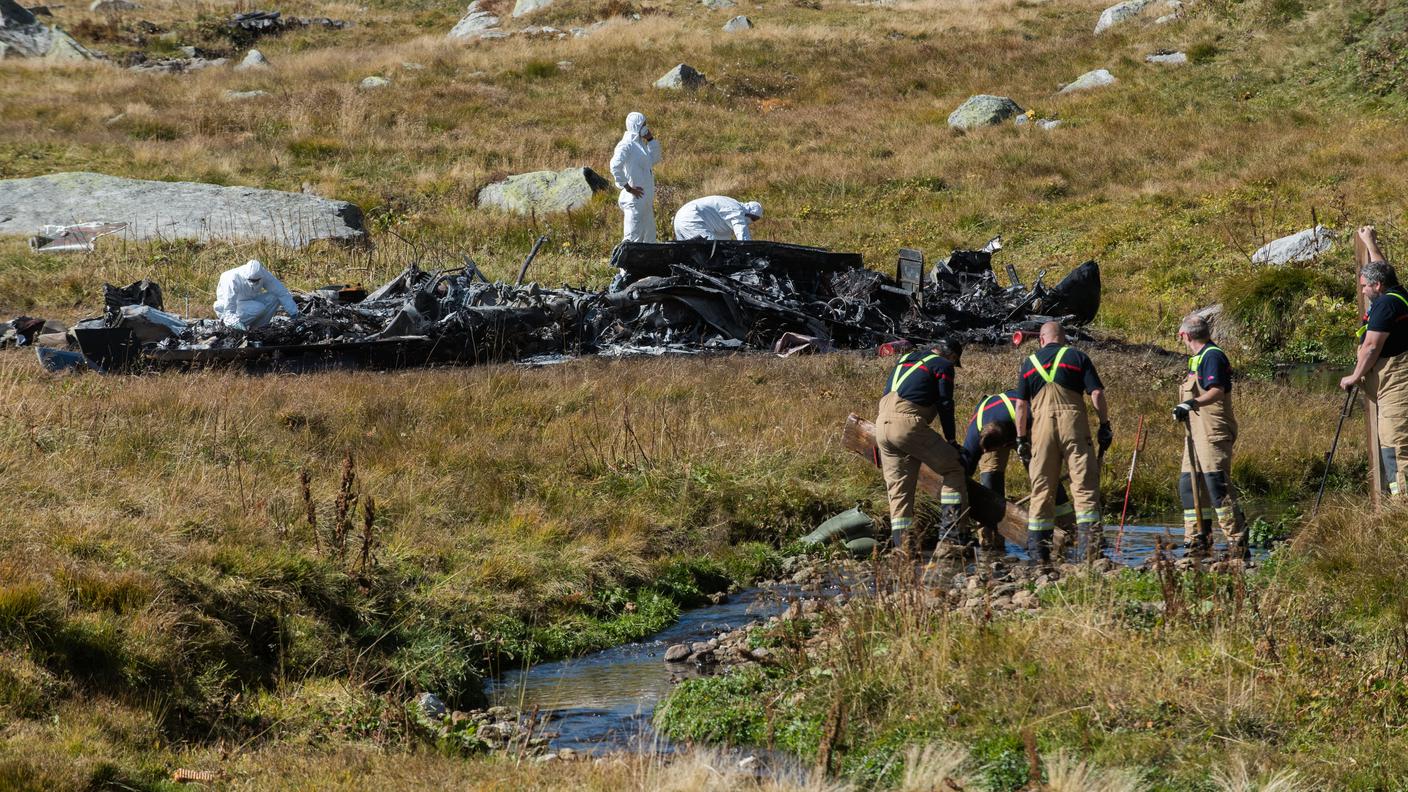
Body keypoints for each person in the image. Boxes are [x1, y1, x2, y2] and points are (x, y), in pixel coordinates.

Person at [1014, 322, 1111, 562]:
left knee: (1041, 489)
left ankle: (1039, 554)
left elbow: (1021, 405)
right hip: (1074, 426)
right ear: (1064, 339)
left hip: (1041, 430)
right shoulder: (1077, 356)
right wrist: (1105, 424)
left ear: (1041, 340)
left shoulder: (1029, 363)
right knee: (1084, 485)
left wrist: (1021, 439)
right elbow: (1096, 393)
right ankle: (1091, 552)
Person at [957, 389, 1075, 560]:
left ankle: (1068, 528)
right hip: (994, 427)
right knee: (990, 479)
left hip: (1023, 427)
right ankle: (990, 542)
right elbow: (964, 473)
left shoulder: (1028, 417)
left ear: (1006, 442)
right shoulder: (976, 436)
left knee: (1044, 476)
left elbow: (1051, 438)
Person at [875, 339, 966, 554]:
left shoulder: (905, 359)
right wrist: (951, 441)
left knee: (899, 491)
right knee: (953, 468)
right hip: (907, 424)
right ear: (952, 357)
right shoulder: (943, 366)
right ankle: (951, 539)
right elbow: (945, 403)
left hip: (881, 425)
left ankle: (904, 549)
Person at [1340, 226, 1408, 498]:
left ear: (1377, 286)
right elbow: (1382, 267)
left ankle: (1401, 507)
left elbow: (1370, 347)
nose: (1364, 291)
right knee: (1391, 443)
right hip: (1391, 383)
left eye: (1365, 287)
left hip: (1397, 384)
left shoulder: (1384, 307)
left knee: (1395, 445)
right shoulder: (1398, 293)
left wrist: (1354, 376)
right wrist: (1370, 241)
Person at [1173, 314, 1246, 560]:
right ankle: (1197, 542)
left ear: (1185, 335)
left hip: (1212, 432)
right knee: (1189, 485)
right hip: (1194, 433)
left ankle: (1238, 544)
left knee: (1217, 485)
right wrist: (1184, 410)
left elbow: (1216, 391)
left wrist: (1191, 402)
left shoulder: (1212, 356)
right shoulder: (1197, 359)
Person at [609, 112, 662, 243]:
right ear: (636, 125)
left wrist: (650, 140)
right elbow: (615, 166)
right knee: (633, 239)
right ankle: (625, 264)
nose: (646, 127)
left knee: (649, 239)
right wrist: (627, 187)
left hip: (645, 202)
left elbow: (653, 160)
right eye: (643, 124)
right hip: (635, 201)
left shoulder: (640, 145)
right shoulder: (626, 145)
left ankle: (647, 263)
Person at [213, 259, 299, 331]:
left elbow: (281, 292)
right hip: (226, 307)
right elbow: (229, 309)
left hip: (249, 303)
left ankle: (258, 329)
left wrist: (294, 313)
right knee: (258, 307)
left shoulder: (263, 274)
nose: (254, 283)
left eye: (257, 280)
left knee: (275, 297)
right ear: (246, 276)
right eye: (251, 280)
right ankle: (233, 327)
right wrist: (235, 323)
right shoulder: (232, 278)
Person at [672, 196, 763, 241]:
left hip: (681, 217)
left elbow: (723, 240)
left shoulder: (730, 207)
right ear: (749, 213)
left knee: (687, 253)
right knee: (710, 250)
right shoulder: (736, 210)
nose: (752, 222)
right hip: (691, 217)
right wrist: (750, 252)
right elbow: (743, 237)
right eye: (754, 218)